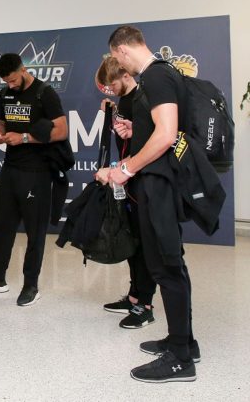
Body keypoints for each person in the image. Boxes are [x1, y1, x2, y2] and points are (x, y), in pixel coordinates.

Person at [107, 25, 199, 383]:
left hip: (158, 184)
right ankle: (183, 342)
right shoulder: (163, 74)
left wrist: (126, 168)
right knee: (170, 263)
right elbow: (162, 129)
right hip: (161, 180)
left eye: (117, 59)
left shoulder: (156, 76)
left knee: (165, 266)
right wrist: (135, 131)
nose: (120, 67)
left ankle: (180, 360)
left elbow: (166, 134)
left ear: (122, 51)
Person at [0, 52, 68, 306]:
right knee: (0, 228)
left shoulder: (45, 93)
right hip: (10, 168)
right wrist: (0, 134)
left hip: (37, 171)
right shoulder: (4, 93)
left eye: (14, 80)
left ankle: (31, 285)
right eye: (6, 81)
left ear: (23, 69)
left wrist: (24, 138)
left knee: (35, 232)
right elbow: (3, 123)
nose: (11, 85)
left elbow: (61, 131)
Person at [93, 57, 157, 329]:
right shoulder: (124, 101)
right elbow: (126, 140)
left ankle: (146, 305)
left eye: (113, 83)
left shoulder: (142, 99)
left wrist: (118, 169)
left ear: (126, 75)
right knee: (132, 241)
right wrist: (112, 115)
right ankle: (134, 297)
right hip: (127, 182)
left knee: (145, 246)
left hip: (143, 182)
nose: (111, 89)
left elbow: (148, 146)